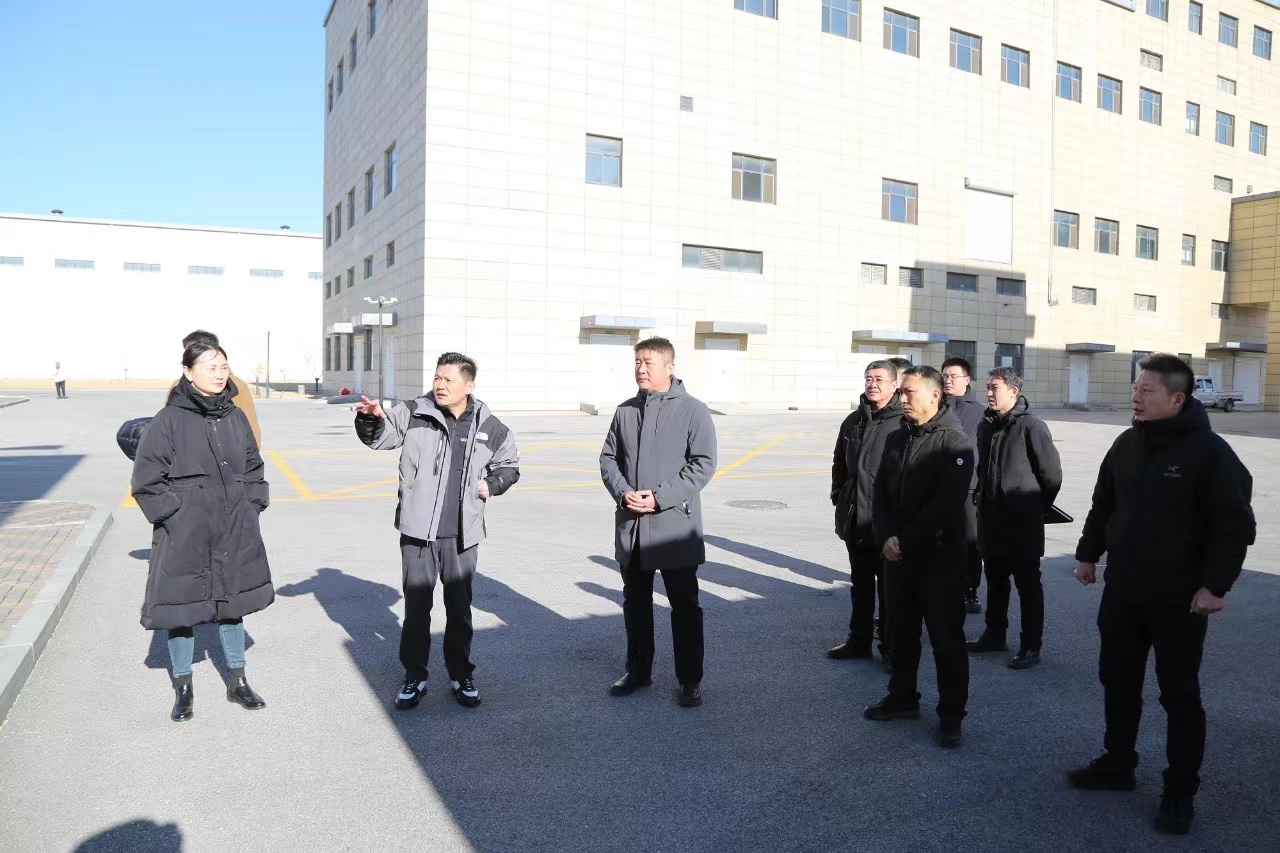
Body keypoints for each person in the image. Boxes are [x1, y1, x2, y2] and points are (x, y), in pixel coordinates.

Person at [1068, 354, 1255, 836]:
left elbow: (1234, 524)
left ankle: (1179, 791)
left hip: (1179, 599)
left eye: (1147, 390)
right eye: (1136, 388)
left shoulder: (1209, 452)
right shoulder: (1126, 444)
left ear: (1177, 399)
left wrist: (1215, 584)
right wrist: (1088, 554)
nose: (1136, 396)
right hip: (1124, 591)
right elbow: (1104, 504)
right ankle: (1118, 763)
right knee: (1118, 681)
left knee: (1179, 694)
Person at [355, 352, 520, 711]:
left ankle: (461, 674)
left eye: (448, 380)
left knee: (459, 611)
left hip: (463, 535)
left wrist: (492, 484)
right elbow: (380, 438)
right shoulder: (415, 412)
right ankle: (415, 676)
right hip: (418, 532)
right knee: (417, 611)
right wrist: (370, 419)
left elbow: (510, 466)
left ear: (468, 385)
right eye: (437, 378)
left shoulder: (490, 426)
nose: (440, 385)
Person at [131, 340, 273, 722]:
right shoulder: (168, 420)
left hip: (233, 524)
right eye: (210, 366)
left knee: (232, 603)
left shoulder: (235, 416)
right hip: (186, 530)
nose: (219, 373)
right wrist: (175, 516)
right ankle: (183, 686)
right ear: (188, 372)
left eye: (223, 366)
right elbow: (146, 480)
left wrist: (253, 504)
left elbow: (253, 466)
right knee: (181, 607)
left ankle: (238, 680)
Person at [600, 337, 718, 708]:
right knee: (635, 603)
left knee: (684, 606)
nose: (640, 368)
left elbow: (703, 464)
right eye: (637, 361)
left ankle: (689, 680)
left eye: (648, 362)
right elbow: (608, 459)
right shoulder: (625, 411)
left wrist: (659, 497)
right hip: (633, 526)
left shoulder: (694, 410)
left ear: (669, 367)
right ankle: (638, 671)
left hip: (673, 528)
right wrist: (623, 493)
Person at [865, 365, 975, 748]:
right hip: (899, 559)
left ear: (935, 395)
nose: (903, 398)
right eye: (902, 392)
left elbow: (945, 505)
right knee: (901, 634)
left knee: (946, 641)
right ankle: (902, 697)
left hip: (939, 561)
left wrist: (905, 540)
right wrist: (886, 536)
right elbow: (881, 494)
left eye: (909, 392)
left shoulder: (955, 443)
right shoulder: (898, 437)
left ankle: (951, 717)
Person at [966, 367, 1062, 669]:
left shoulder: (1031, 426)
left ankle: (1031, 645)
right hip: (991, 520)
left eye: (994, 387)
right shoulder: (986, 426)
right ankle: (994, 635)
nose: (989, 393)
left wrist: (1032, 506)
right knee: (995, 583)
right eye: (987, 387)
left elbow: (1051, 475)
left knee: (1028, 586)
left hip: (1022, 525)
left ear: (1014, 391)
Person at [828, 360, 903, 670]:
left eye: (879, 379)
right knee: (860, 586)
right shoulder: (853, 420)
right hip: (855, 518)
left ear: (895, 384)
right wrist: (838, 494)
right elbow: (839, 463)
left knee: (890, 591)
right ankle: (858, 642)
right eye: (868, 378)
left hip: (887, 523)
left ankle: (890, 647)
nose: (872, 384)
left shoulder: (903, 421)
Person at [166, 330, 262, 449]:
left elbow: (251, 428)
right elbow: (167, 429)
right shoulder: (178, 386)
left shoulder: (236, 386)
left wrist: (251, 457)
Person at [942, 357, 984, 614]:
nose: (948, 380)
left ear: (967, 380)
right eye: (944, 375)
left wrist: (982, 485)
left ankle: (970, 590)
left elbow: (985, 451)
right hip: (939, 486)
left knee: (970, 543)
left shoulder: (980, 412)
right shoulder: (936, 406)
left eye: (953, 376)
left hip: (969, 487)